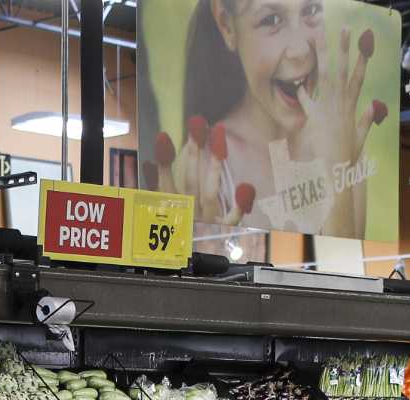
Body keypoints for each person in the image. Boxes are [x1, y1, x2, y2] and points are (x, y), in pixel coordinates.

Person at [155, 0, 379, 236]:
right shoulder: (204, 168)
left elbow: (346, 268)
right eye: (271, 20)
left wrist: (339, 175)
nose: (300, 50)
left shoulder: (344, 142)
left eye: (311, 10)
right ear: (227, 25)